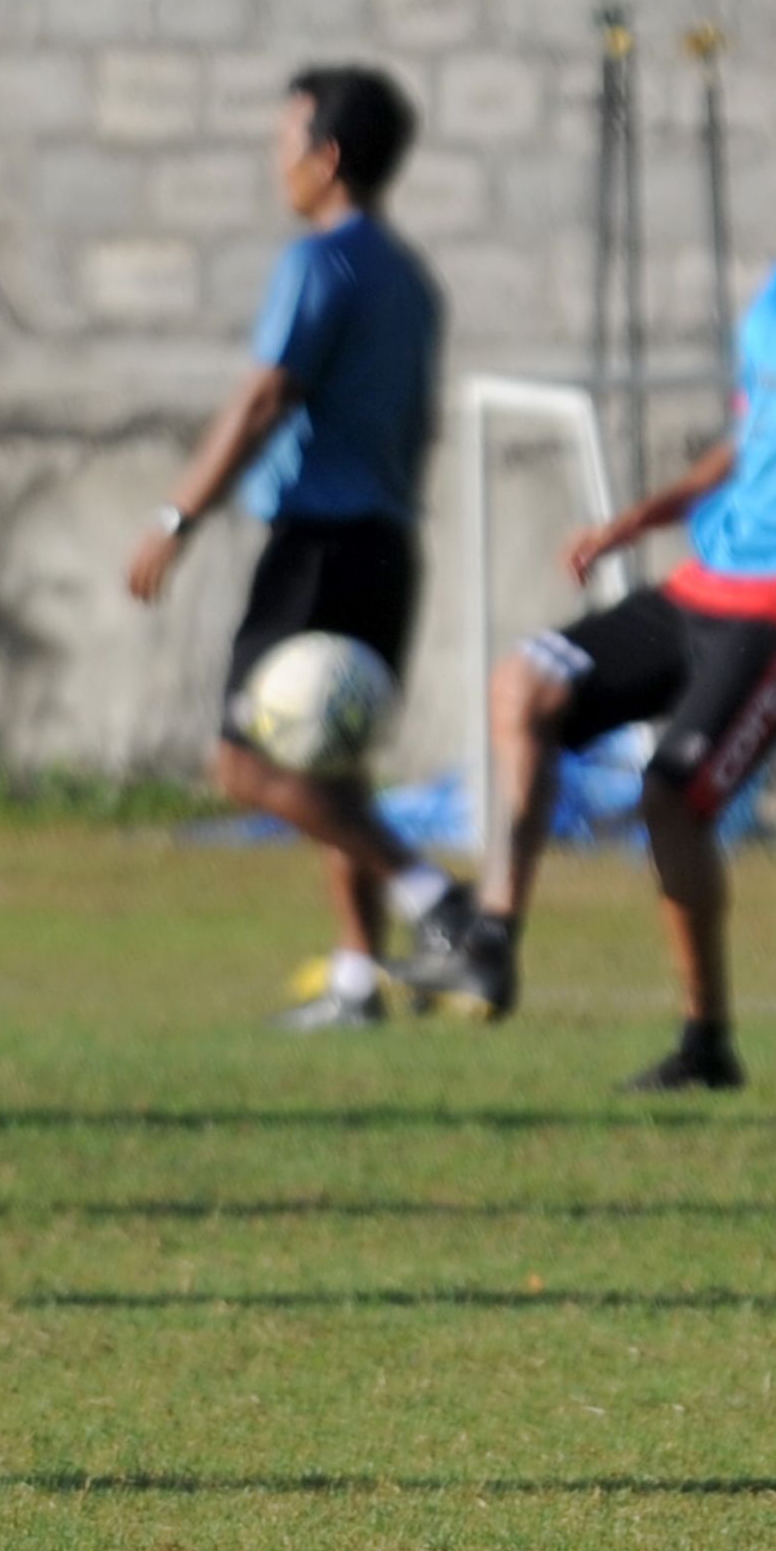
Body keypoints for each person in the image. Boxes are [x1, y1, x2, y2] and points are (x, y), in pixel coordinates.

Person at [408, 87, 776, 1090]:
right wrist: (639, 517)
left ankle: (704, 1040)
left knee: (672, 794)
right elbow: (749, 436)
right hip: (705, 579)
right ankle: (495, 931)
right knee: (524, 684)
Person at [126, 66, 456, 1030]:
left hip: (318, 543)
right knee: (332, 768)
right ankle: (359, 980)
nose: (279, 163)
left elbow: (267, 395)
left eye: (287, 143)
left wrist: (177, 516)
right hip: (388, 542)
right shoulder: (408, 277)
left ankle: (440, 903)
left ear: (330, 157)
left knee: (245, 763)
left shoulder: (321, 264)